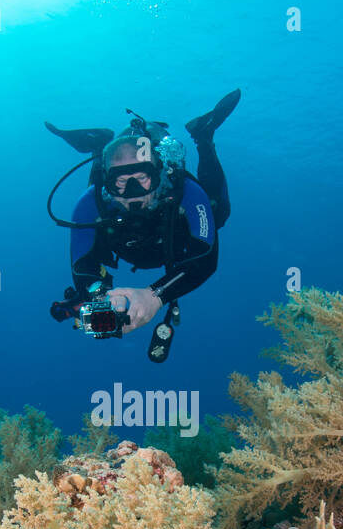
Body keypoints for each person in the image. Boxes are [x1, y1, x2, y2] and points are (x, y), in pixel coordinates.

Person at [46, 90, 240, 360]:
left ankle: (203, 136)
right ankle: (98, 148)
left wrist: (154, 296)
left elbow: (205, 257)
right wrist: (101, 299)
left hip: (177, 239)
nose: (133, 190)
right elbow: (83, 266)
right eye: (120, 182)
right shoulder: (89, 203)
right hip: (126, 239)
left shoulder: (185, 191)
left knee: (219, 213)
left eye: (141, 178)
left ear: (158, 173)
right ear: (107, 183)